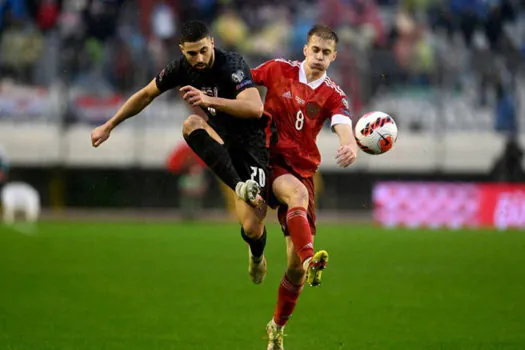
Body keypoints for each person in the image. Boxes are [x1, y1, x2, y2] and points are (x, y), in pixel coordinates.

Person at [90, 21, 270, 284]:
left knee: (252, 227)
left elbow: (255, 108)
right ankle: (240, 186)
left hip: (252, 146)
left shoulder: (232, 64)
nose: (198, 58)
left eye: (203, 51)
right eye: (191, 53)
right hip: (221, 140)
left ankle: (256, 257)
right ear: (182, 50)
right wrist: (109, 125)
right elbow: (145, 95)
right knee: (190, 125)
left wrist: (209, 100)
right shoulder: (180, 69)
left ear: (212, 43)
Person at [251, 24, 359, 349]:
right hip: (268, 162)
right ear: (305, 49)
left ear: (334, 56)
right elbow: (242, 81)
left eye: (327, 53)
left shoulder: (333, 93)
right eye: (316, 50)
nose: (320, 57)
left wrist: (350, 143)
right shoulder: (278, 70)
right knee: (290, 200)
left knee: (294, 271)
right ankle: (311, 257)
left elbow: (342, 122)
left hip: (303, 171)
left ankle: (276, 328)